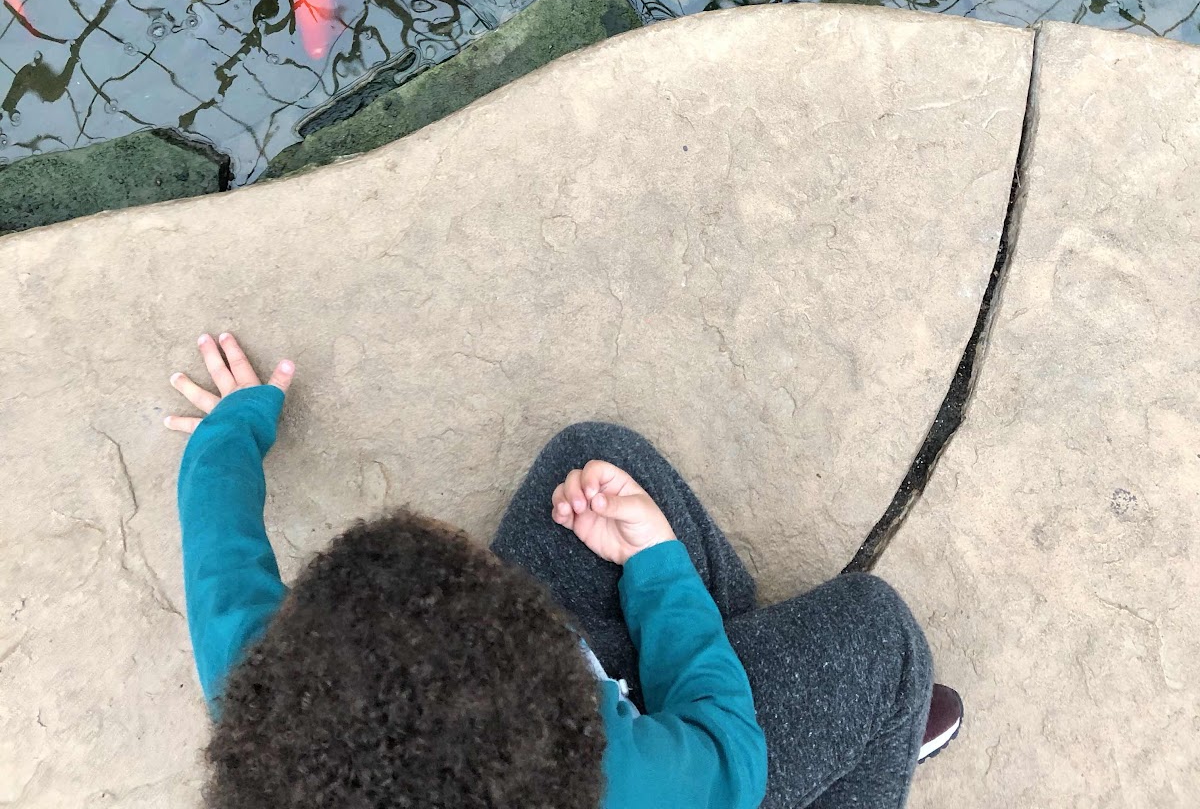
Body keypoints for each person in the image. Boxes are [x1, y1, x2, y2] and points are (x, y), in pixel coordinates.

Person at [166, 331, 963, 809]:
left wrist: (232, 428)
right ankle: (855, 757)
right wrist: (657, 567)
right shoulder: (610, 781)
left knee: (589, 465)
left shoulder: (271, 694)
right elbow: (729, 759)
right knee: (881, 641)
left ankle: (778, 693)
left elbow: (218, 545)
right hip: (703, 773)